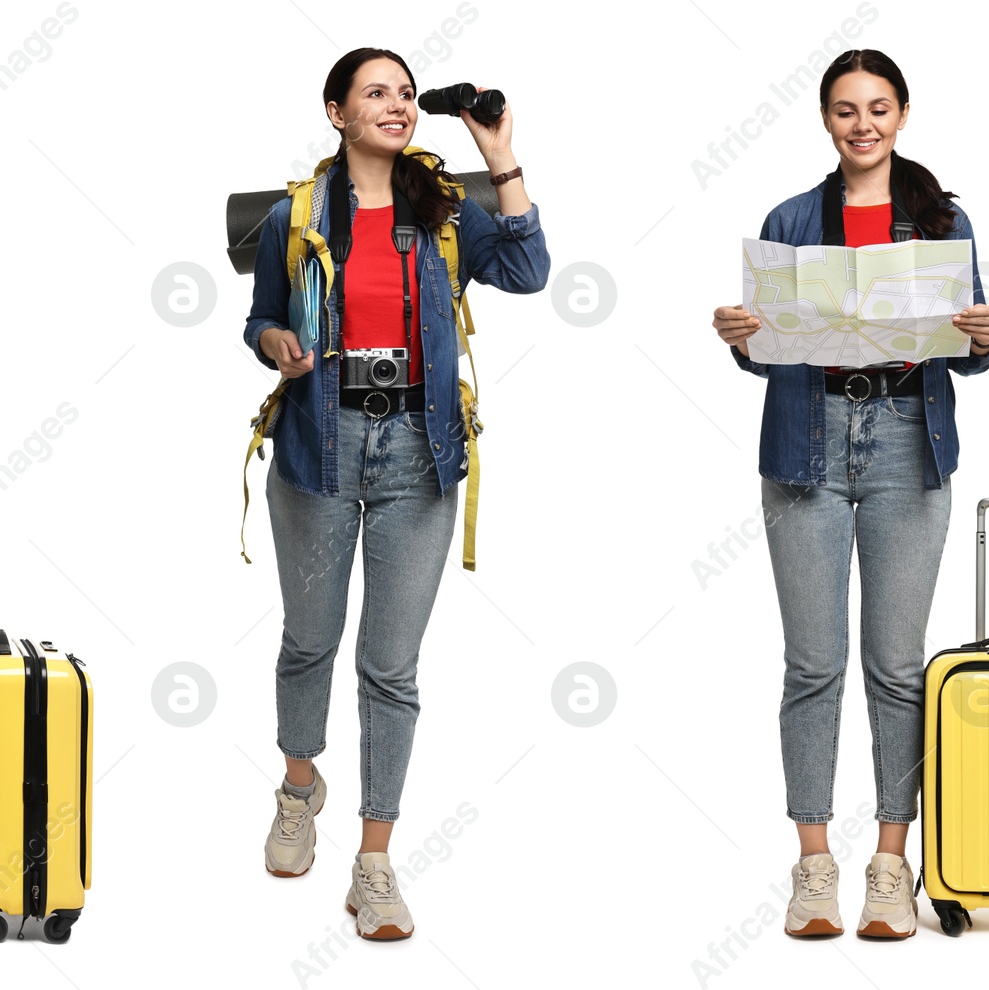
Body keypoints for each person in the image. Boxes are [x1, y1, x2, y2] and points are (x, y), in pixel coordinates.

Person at [243, 47, 548, 940]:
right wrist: (276, 346)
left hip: (420, 446)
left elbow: (529, 271)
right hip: (318, 442)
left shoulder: (443, 209)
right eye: (377, 92)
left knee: (391, 665)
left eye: (408, 95)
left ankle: (374, 861)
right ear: (335, 110)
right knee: (309, 641)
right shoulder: (295, 215)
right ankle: (300, 787)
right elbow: (259, 315)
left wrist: (499, 156)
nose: (399, 106)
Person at [711, 49, 989, 939]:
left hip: (908, 447)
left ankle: (889, 861)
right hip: (808, 442)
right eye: (846, 110)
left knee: (896, 665)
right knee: (813, 664)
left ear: (903, 114)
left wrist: (986, 334)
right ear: (827, 121)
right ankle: (812, 866)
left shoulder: (939, 218)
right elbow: (766, 349)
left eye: (878, 108)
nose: (863, 124)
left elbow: (971, 347)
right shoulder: (793, 217)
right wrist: (738, 335)